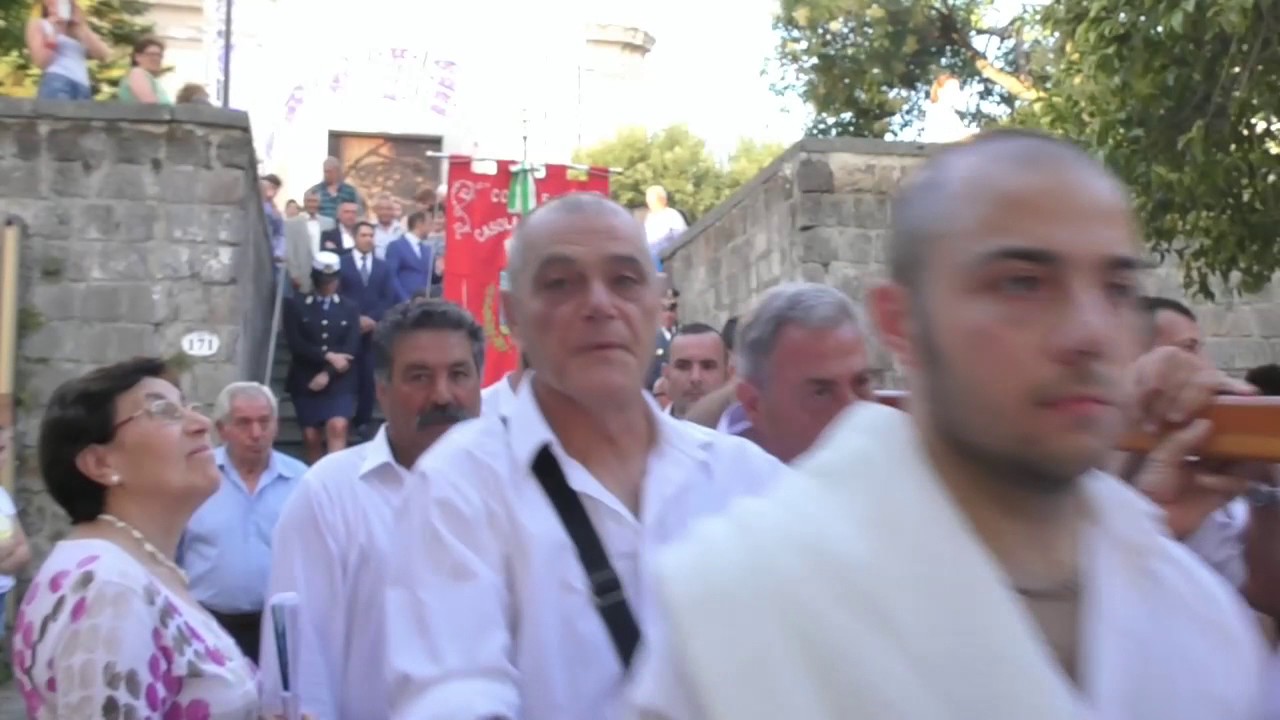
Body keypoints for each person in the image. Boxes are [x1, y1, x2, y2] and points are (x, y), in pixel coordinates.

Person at [625, 130, 1266, 719]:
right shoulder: (741, 610)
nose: (1089, 333)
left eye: (1116, 289)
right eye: (1023, 284)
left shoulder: (1194, 614)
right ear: (900, 322)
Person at [385, 193, 786, 720]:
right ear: (512, 314)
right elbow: (454, 695)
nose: (599, 304)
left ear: (658, 303)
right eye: (561, 283)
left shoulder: (747, 482)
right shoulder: (458, 489)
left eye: (624, 281)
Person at [261, 300, 485, 719]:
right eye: (419, 377)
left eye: (458, 374)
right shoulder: (330, 494)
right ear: (381, 389)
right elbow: (300, 663)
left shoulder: (517, 490)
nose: (442, 395)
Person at [13, 357, 258, 717]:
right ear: (101, 464)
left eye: (188, 407)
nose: (202, 424)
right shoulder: (109, 587)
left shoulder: (129, 571)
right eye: (163, 410)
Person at [282, 252, 360, 462]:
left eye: (332, 280)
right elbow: (296, 343)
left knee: (338, 426)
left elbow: (351, 347)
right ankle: (315, 477)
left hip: (339, 378)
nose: (329, 285)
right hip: (305, 376)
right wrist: (327, 355)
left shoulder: (349, 307)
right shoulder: (295, 305)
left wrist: (328, 373)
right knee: (311, 436)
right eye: (325, 281)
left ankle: (335, 477)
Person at [25, 0, 108, 100]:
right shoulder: (39, 24)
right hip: (57, 82)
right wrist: (53, 32)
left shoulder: (77, 28)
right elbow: (41, 62)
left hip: (83, 87)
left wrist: (82, 28)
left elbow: (103, 55)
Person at [117, 36, 170, 104]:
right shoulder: (137, 73)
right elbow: (151, 105)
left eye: (159, 55)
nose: (156, 58)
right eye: (151, 54)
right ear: (137, 57)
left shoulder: (152, 80)